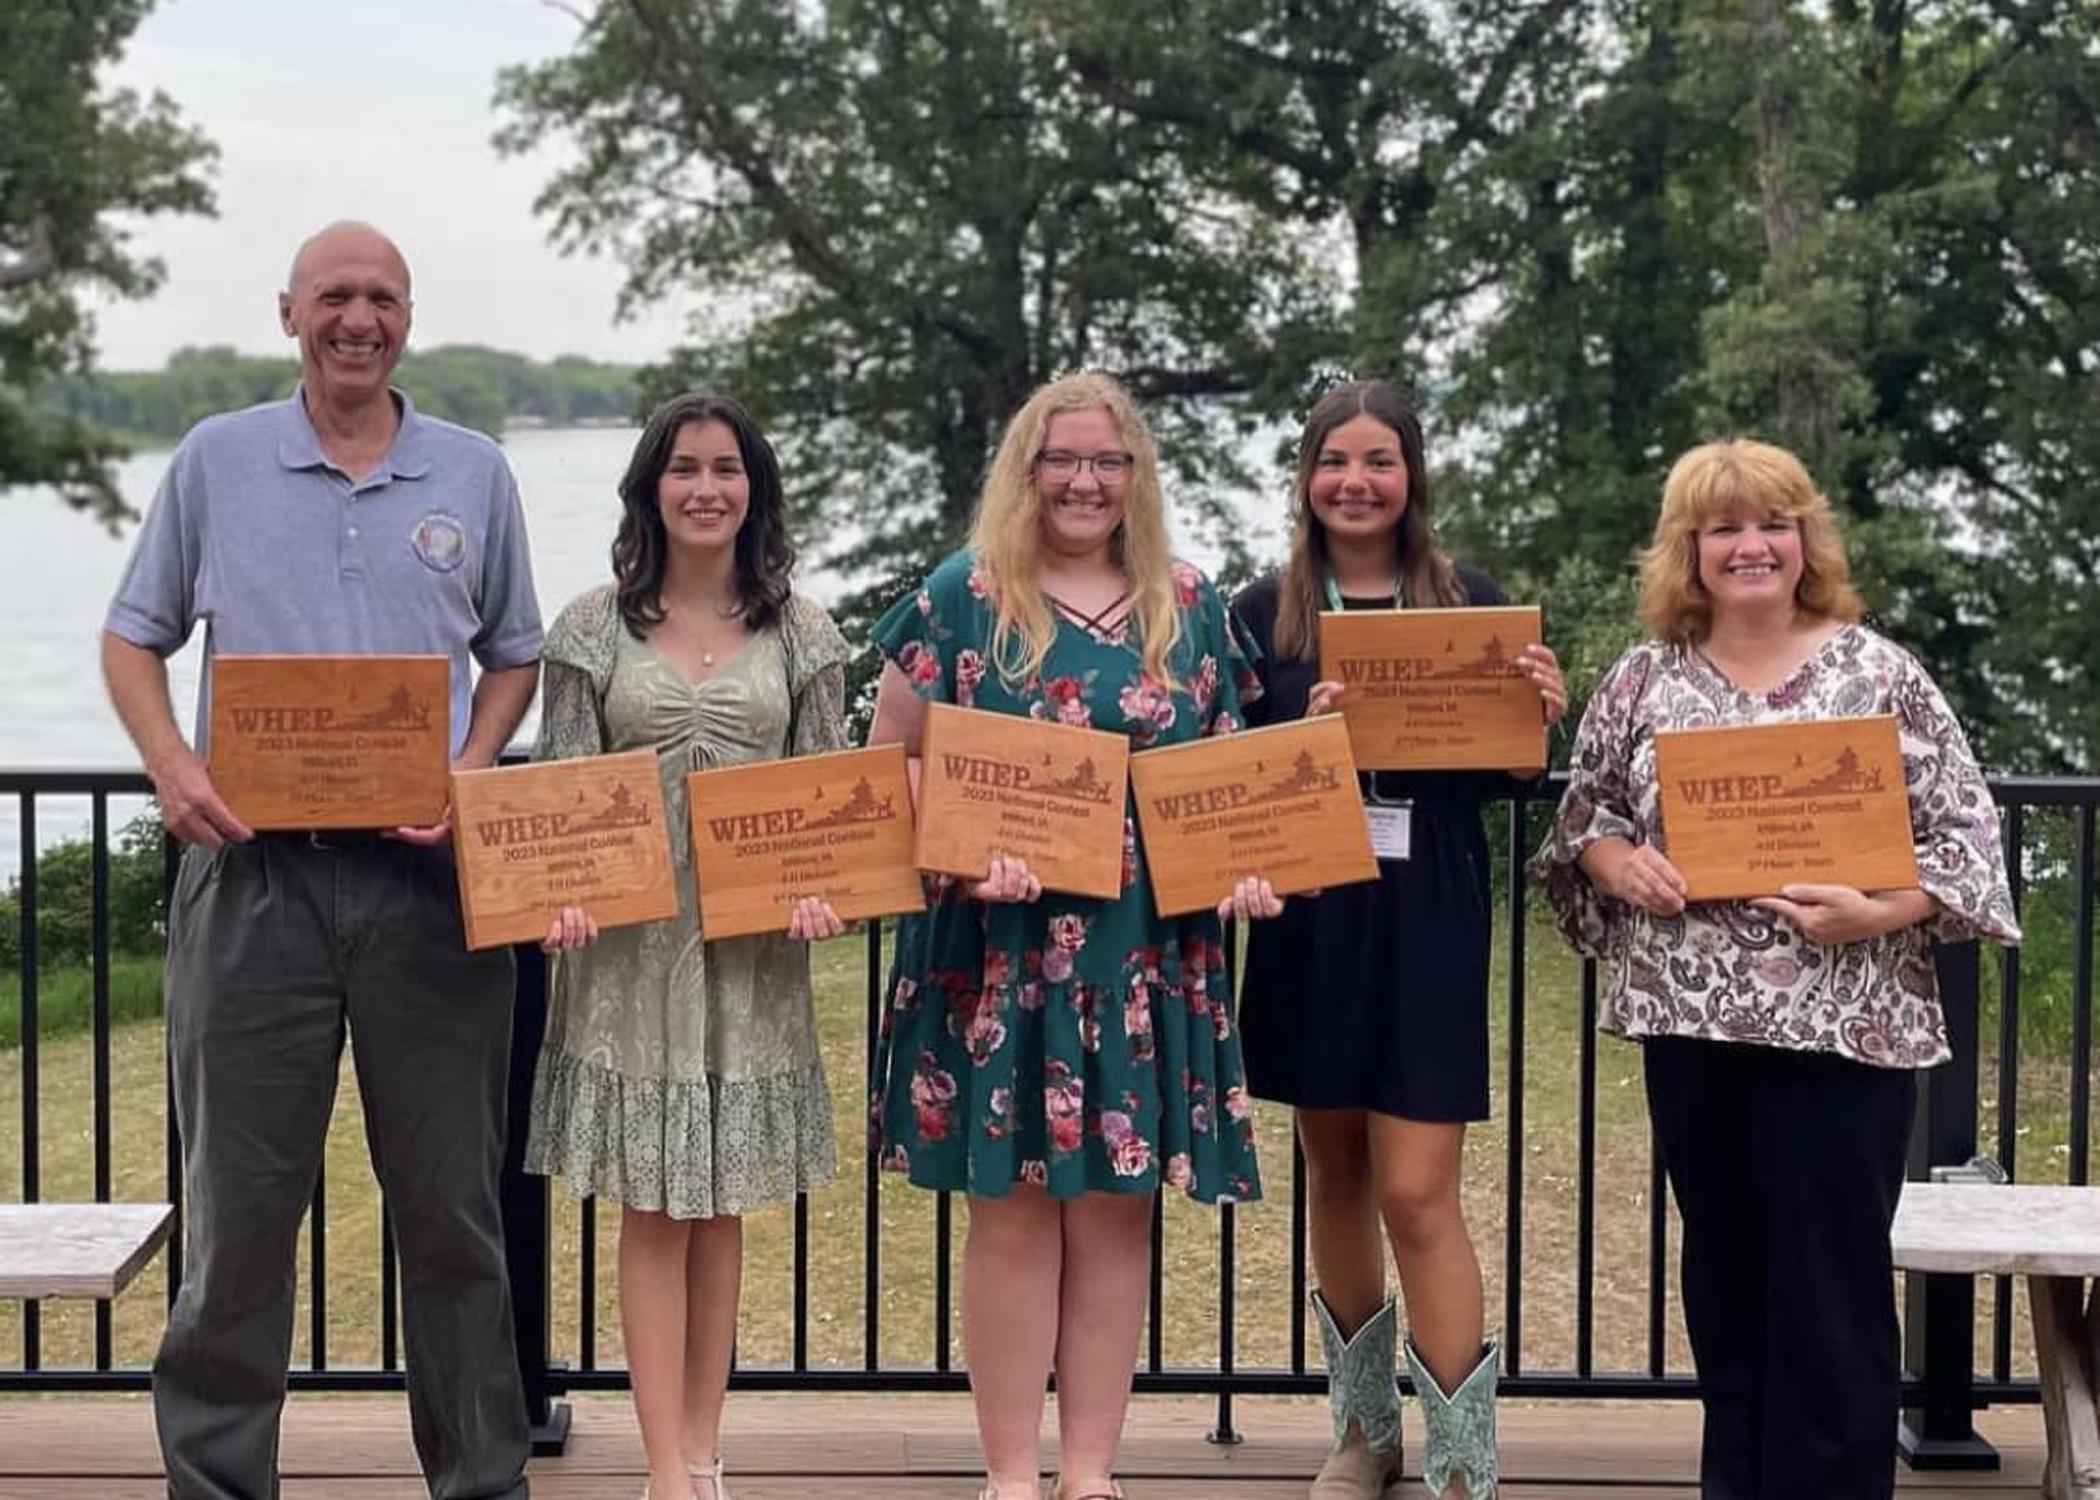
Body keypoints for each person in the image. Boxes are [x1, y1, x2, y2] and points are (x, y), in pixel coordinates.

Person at [101, 221, 543, 1500]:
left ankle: (481, 1480)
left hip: (429, 887)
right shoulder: (216, 461)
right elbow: (135, 641)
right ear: (289, 311)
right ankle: (220, 1482)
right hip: (253, 883)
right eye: (336, 296)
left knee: (454, 1216)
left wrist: (470, 761)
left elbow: (512, 654)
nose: (360, 318)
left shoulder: (475, 473)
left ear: (412, 317)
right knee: (238, 1218)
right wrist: (170, 768)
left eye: (384, 298)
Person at [1529, 438, 2020, 1500]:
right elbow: (1585, 828)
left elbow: (1967, 841)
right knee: (1727, 1278)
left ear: (1805, 539)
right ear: (1689, 550)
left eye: (1772, 523)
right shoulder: (1645, 676)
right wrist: (1630, 870)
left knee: (1832, 1286)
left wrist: (1875, 909)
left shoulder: (1880, 672)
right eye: (1724, 528)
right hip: (1694, 1029)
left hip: (1846, 1032)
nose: (1750, 546)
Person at [866, 371, 1275, 1500]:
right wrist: (953, 846)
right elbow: (892, 767)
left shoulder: (1186, 604)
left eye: (1108, 461)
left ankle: (1090, 1473)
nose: (1085, 481)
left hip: (1139, 957)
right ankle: (1008, 1476)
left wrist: (1244, 866)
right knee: (1010, 1215)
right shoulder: (964, 597)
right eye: (1063, 459)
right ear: (1027, 469)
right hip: (996, 955)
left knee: (1114, 1212)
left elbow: (1224, 783)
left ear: (1135, 475)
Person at [1230, 380, 1565, 1500]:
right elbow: (1224, 774)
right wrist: (1298, 733)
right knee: (1332, 1167)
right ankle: (1364, 1435)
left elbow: (1514, 772)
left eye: (1379, 461)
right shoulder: (1259, 610)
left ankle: (1464, 1465)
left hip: (1425, 909)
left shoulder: (1470, 599)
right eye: (1335, 462)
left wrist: (1532, 726)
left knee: (1417, 1190)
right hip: (1309, 908)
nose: (1355, 482)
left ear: (1411, 475)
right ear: (1306, 478)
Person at [525, 393, 848, 1500]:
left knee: (720, 1206)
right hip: (627, 960)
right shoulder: (587, 630)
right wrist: (559, 895)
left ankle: (706, 1451)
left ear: (754, 487)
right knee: (654, 1210)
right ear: (649, 488)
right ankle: (663, 1466)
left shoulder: (806, 633)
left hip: (753, 959)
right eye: (682, 468)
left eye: (725, 467)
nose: (705, 487)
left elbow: (834, 809)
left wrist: (826, 895)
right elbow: (561, 804)